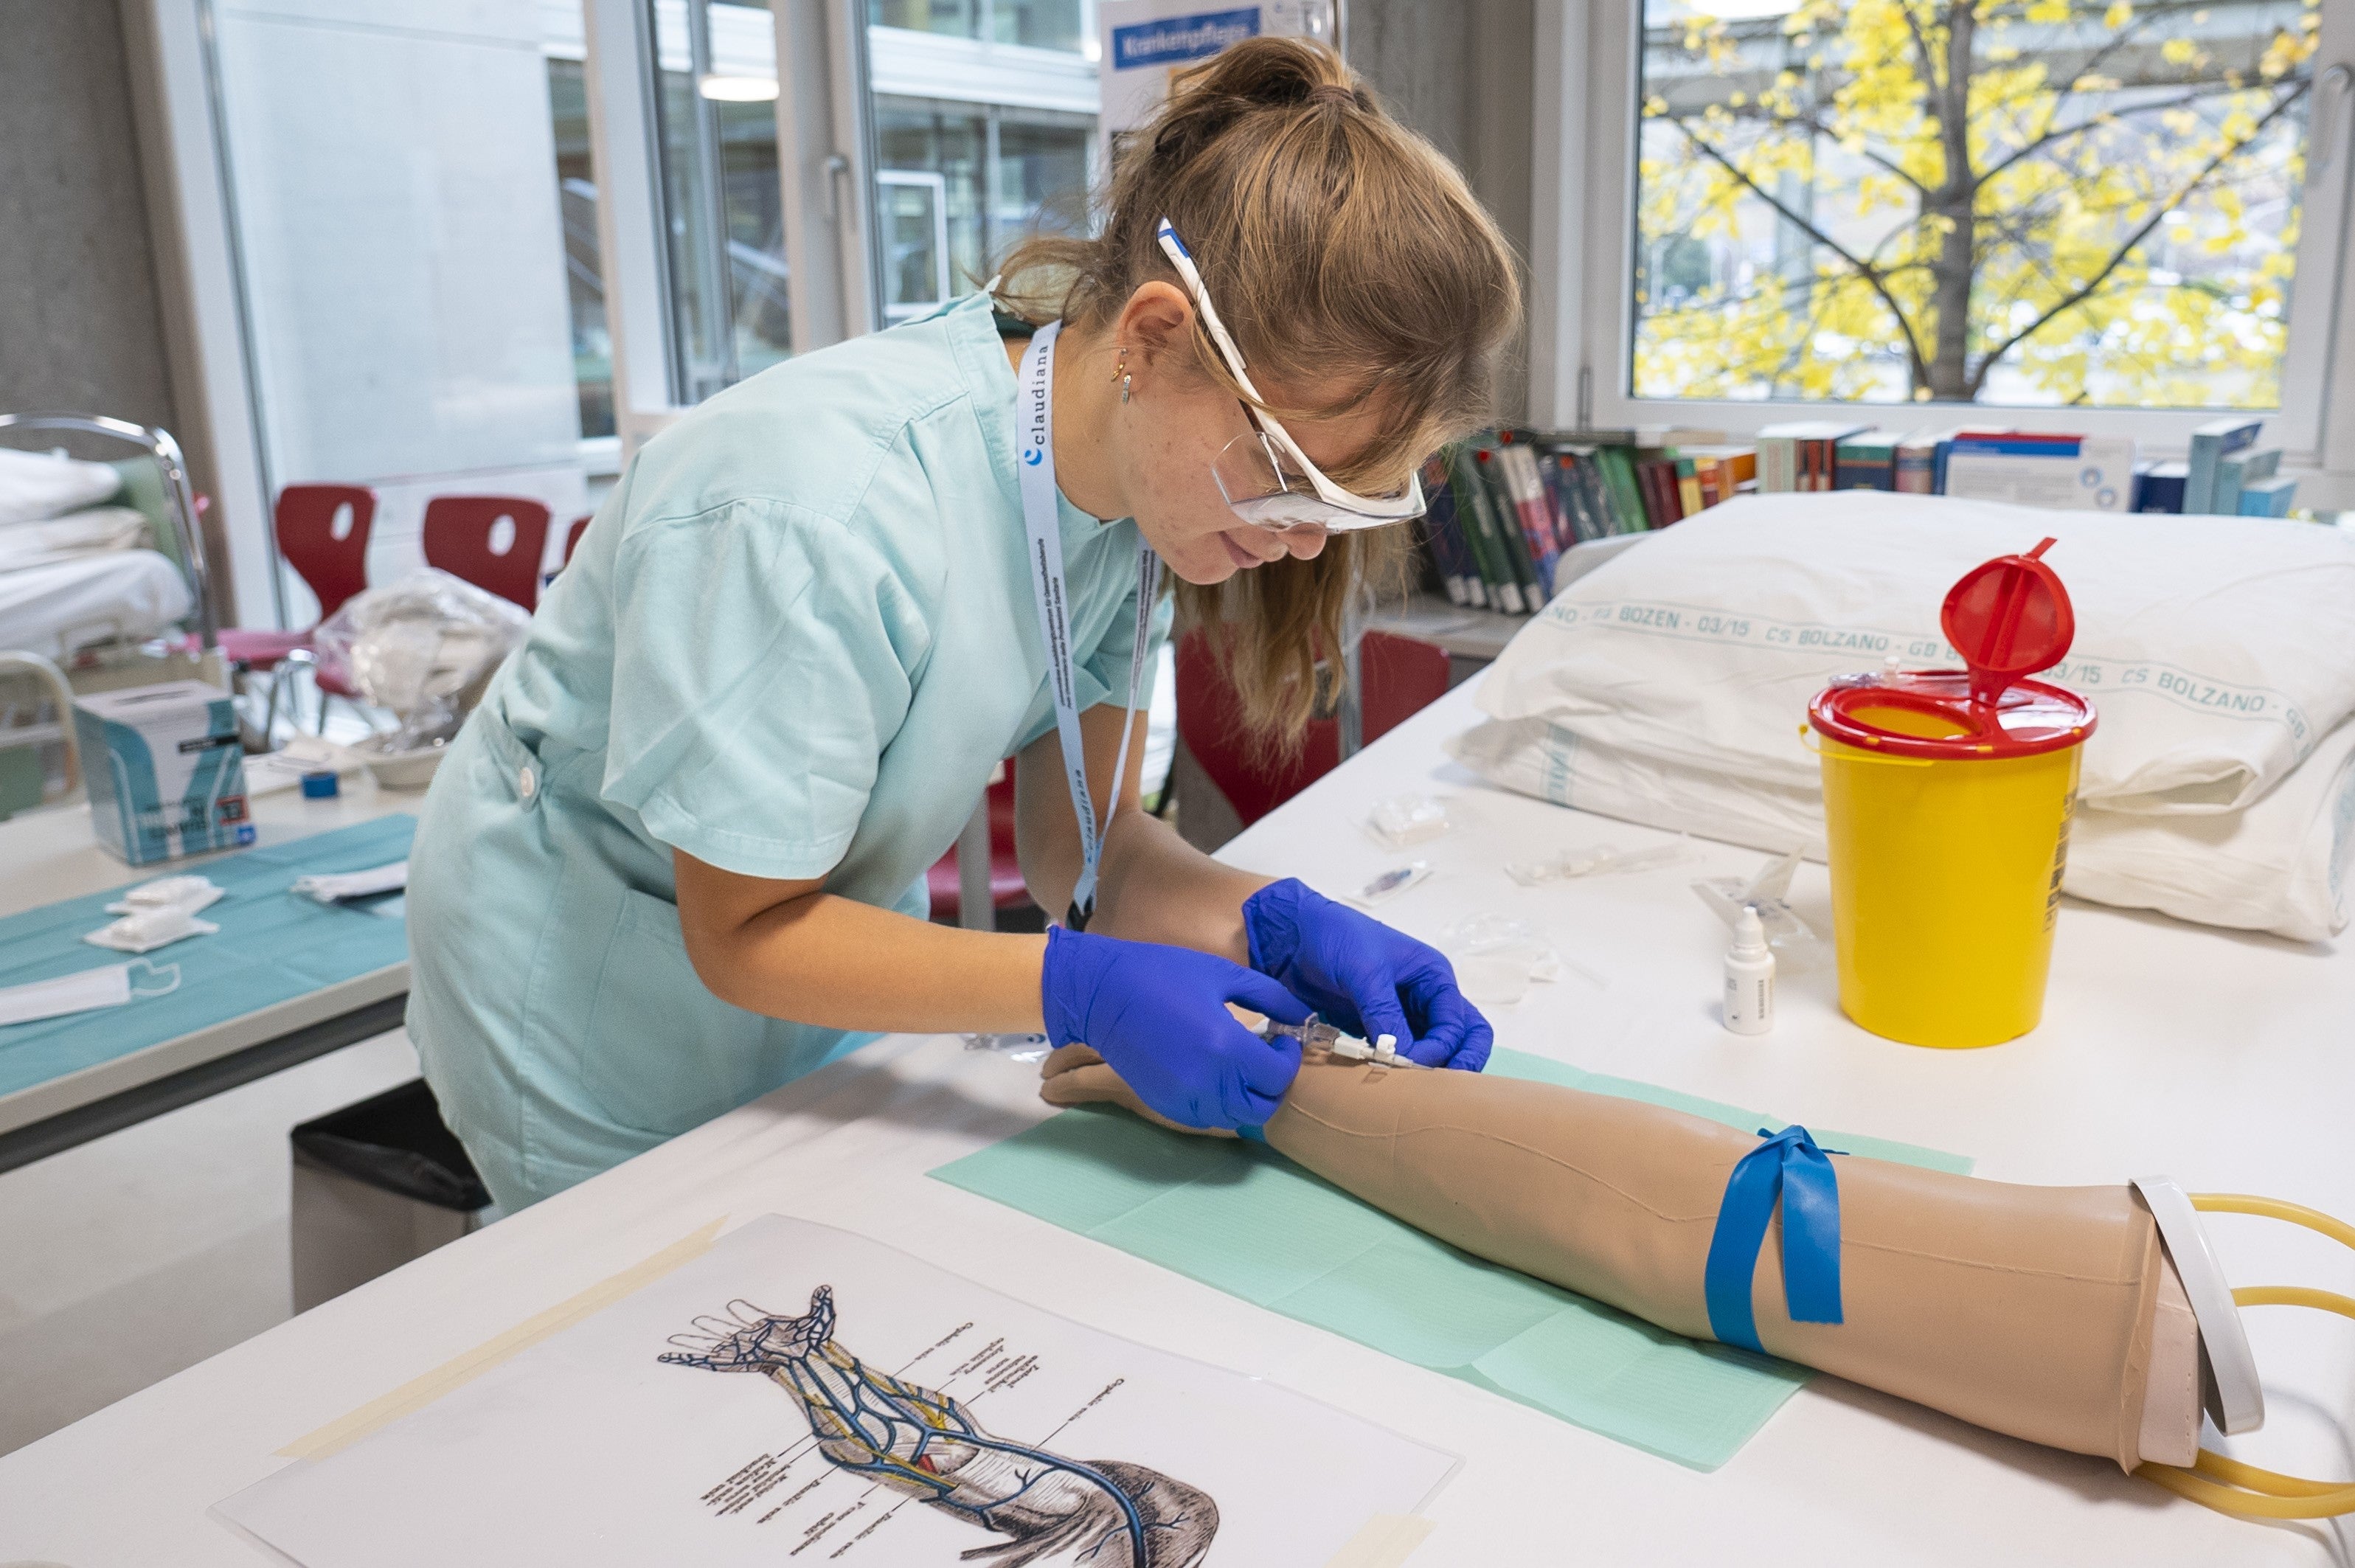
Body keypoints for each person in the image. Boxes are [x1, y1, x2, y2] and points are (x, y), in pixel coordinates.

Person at [404, 36, 1525, 1212]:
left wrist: (1266, 922)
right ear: (1149, 340)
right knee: (647, 1317)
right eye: (1289, 479)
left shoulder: (1118, 498)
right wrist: (1075, 988)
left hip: (818, 942)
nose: (1302, 541)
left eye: (1346, 506)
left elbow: (1075, 849)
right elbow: (740, 933)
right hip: (592, 990)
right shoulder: (810, 509)